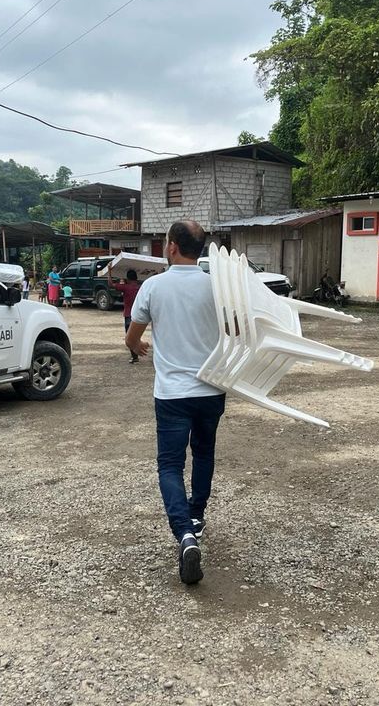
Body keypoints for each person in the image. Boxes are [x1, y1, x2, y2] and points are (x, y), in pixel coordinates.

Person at [125, 220, 225, 585]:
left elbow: (132, 337)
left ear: (171, 247)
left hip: (172, 394)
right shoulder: (217, 287)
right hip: (212, 389)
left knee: (170, 464)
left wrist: (137, 346)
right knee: (204, 453)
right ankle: (196, 516)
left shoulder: (154, 286)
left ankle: (184, 533)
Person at [108, 265, 142, 364]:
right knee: (137, 336)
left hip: (129, 315)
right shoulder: (140, 287)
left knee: (129, 336)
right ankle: (136, 354)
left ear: (128, 278)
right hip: (139, 315)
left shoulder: (126, 287)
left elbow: (111, 284)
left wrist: (109, 271)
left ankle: (135, 357)